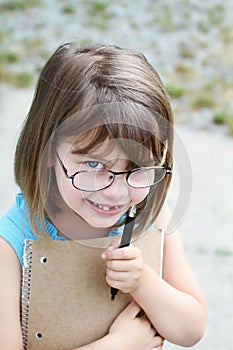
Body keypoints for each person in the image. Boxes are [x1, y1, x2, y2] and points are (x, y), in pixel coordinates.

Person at [0, 42, 207, 350]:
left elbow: (191, 330)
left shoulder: (150, 215)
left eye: (137, 166)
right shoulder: (13, 243)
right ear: (48, 152)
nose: (115, 192)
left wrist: (142, 282)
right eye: (94, 164)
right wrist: (119, 344)